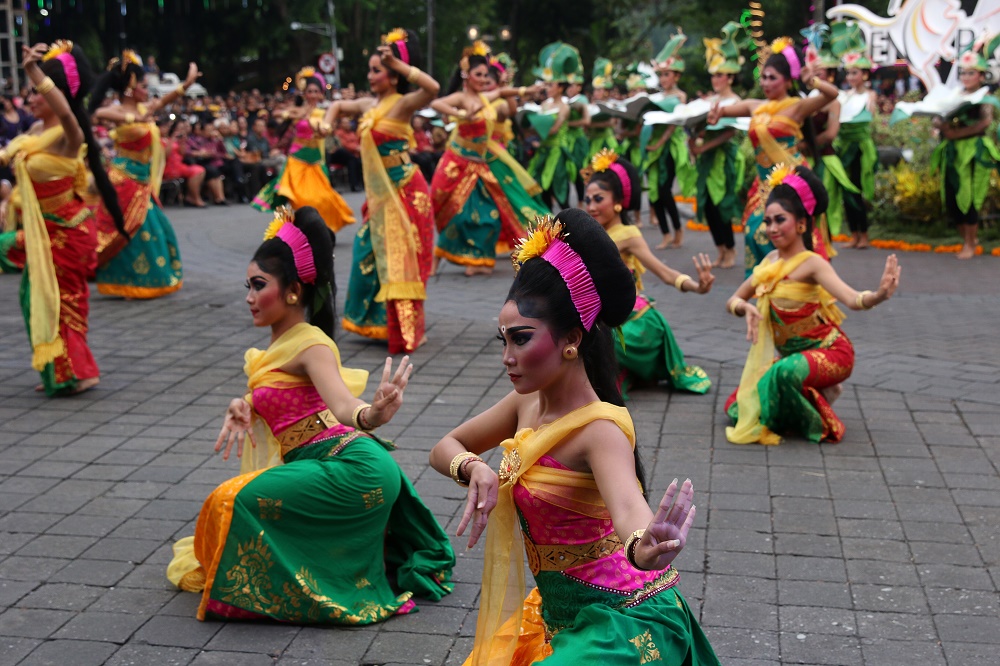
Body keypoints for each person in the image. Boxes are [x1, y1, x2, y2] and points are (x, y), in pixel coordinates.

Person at [428, 208, 718, 665]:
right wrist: (473, 467)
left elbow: (628, 508)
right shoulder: (526, 403)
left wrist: (645, 547)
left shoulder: (598, 428)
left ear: (571, 338)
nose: (507, 357)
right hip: (558, 616)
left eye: (520, 339)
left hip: (624, 617)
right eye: (501, 340)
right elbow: (444, 446)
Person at [166, 206, 455, 622]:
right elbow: (275, 397)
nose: (249, 297)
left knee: (232, 499)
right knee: (223, 504)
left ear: (292, 292)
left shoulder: (312, 344)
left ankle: (276, 593)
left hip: (352, 467)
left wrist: (373, 413)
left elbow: (341, 405)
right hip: (329, 466)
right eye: (247, 286)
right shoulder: (274, 351)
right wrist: (242, 405)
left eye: (258, 285)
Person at [724, 164, 901, 445]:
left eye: (780, 220)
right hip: (792, 356)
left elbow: (852, 299)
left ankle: (820, 418)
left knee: (782, 374)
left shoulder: (813, 263)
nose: (771, 228)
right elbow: (733, 300)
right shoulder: (768, 262)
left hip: (831, 352)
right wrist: (745, 308)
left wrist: (878, 295)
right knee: (741, 404)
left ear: (802, 223)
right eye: (767, 221)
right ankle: (810, 392)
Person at [0, 40, 125, 395]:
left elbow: (68, 112)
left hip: (66, 233)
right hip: (43, 230)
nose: (30, 100)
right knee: (35, 297)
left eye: (36, 93)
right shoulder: (35, 134)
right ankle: (60, 369)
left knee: (63, 302)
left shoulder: (68, 134)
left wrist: (32, 70)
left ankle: (81, 372)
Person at [323, 28, 439, 354]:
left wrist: (400, 65)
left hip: (405, 190)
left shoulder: (402, 104)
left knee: (405, 260)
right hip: (380, 196)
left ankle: (409, 327)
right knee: (369, 254)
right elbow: (339, 106)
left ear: (392, 74)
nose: (371, 76)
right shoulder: (368, 104)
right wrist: (327, 121)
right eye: (371, 69)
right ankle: (377, 323)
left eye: (378, 70)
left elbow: (432, 89)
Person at [586, 150, 713, 395]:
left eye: (598, 199)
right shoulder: (590, 233)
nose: (591, 206)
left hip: (636, 323)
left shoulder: (627, 235)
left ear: (617, 201)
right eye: (588, 199)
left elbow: (664, 272)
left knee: (593, 346)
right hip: (604, 318)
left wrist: (698, 287)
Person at [708, 37, 838, 276]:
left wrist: (814, 80)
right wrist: (716, 113)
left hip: (791, 178)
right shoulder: (754, 106)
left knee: (792, 229)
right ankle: (763, 282)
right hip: (763, 181)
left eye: (772, 78)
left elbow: (832, 94)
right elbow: (724, 110)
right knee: (754, 229)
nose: (766, 83)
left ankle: (796, 279)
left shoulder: (797, 106)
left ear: (788, 81)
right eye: (764, 77)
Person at [88, 51, 193, 298]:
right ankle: (128, 281)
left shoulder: (145, 107)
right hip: (124, 179)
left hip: (142, 180)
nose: (148, 91)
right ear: (130, 88)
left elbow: (163, 100)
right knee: (132, 230)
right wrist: (133, 116)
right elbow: (98, 114)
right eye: (144, 86)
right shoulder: (113, 111)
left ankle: (138, 279)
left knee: (152, 228)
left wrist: (186, 85)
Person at [429, 45, 538, 276]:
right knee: (451, 212)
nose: (482, 79)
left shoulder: (487, 97)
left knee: (490, 214)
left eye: (485, 75)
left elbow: (503, 93)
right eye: (478, 74)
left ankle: (479, 258)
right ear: (466, 75)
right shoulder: (460, 97)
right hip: (456, 163)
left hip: (479, 165)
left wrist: (528, 89)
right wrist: (460, 114)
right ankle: (438, 259)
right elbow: (436, 104)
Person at [252, 67, 356, 236]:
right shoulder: (298, 111)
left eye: (316, 91)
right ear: (304, 93)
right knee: (292, 197)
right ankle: (287, 229)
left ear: (321, 93)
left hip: (315, 160)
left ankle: (320, 228)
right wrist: (287, 114)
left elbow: (334, 122)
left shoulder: (325, 113)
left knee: (322, 198)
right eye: (309, 91)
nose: (313, 94)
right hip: (296, 159)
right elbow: (278, 114)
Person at [930, 46, 999, 260]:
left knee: (968, 196)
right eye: (963, 73)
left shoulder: (984, 97)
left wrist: (956, 134)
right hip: (953, 151)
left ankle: (970, 243)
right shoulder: (954, 94)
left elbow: (985, 122)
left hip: (973, 150)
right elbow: (938, 116)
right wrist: (939, 123)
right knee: (951, 197)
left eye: (971, 73)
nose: (966, 77)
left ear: (981, 76)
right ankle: (967, 239)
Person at [691, 22, 747, 269]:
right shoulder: (708, 101)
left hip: (722, 159)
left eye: (720, 74)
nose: (715, 79)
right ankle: (720, 250)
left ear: (731, 77)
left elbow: (730, 132)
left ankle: (731, 250)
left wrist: (704, 147)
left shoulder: (735, 101)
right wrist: (694, 140)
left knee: (723, 205)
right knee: (707, 205)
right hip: (706, 158)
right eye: (713, 74)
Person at [646, 31, 696, 250]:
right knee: (655, 192)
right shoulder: (656, 97)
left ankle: (677, 230)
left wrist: (659, 143)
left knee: (665, 190)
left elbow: (674, 124)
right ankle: (666, 234)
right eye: (661, 74)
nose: (663, 79)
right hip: (654, 146)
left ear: (676, 76)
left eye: (667, 74)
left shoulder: (680, 96)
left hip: (670, 147)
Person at [526, 42, 584, 212]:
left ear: (560, 87)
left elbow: (553, 130)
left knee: (560, 193)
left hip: (557, 154)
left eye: (550, 85)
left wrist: (538, 129)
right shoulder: (544, 105)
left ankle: (569, 228)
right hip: (543, 152)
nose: (547, 88)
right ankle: (549, 230)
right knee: (542, 192)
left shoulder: (564, 107)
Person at [835, 51, 878, 249]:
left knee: (859, 190)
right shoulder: (844, 96)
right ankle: (853, 234)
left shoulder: (870, 96)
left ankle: (864, 235)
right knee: (847, 190)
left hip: (860, 148)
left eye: (855, 73)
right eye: (849, 73)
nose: (851, 77)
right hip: (845, 147)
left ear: (865, 75)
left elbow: (870, 118)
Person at [162, 118, 210, 207]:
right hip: (168, 167)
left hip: (178, 164)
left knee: (200, 170)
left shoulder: (177, 140)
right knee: (196, 171)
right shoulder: (164, 140)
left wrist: (182, 142)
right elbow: (165, 155)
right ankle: (196, 198)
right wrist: (172, 139)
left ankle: (191, 196)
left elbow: (182, 153)